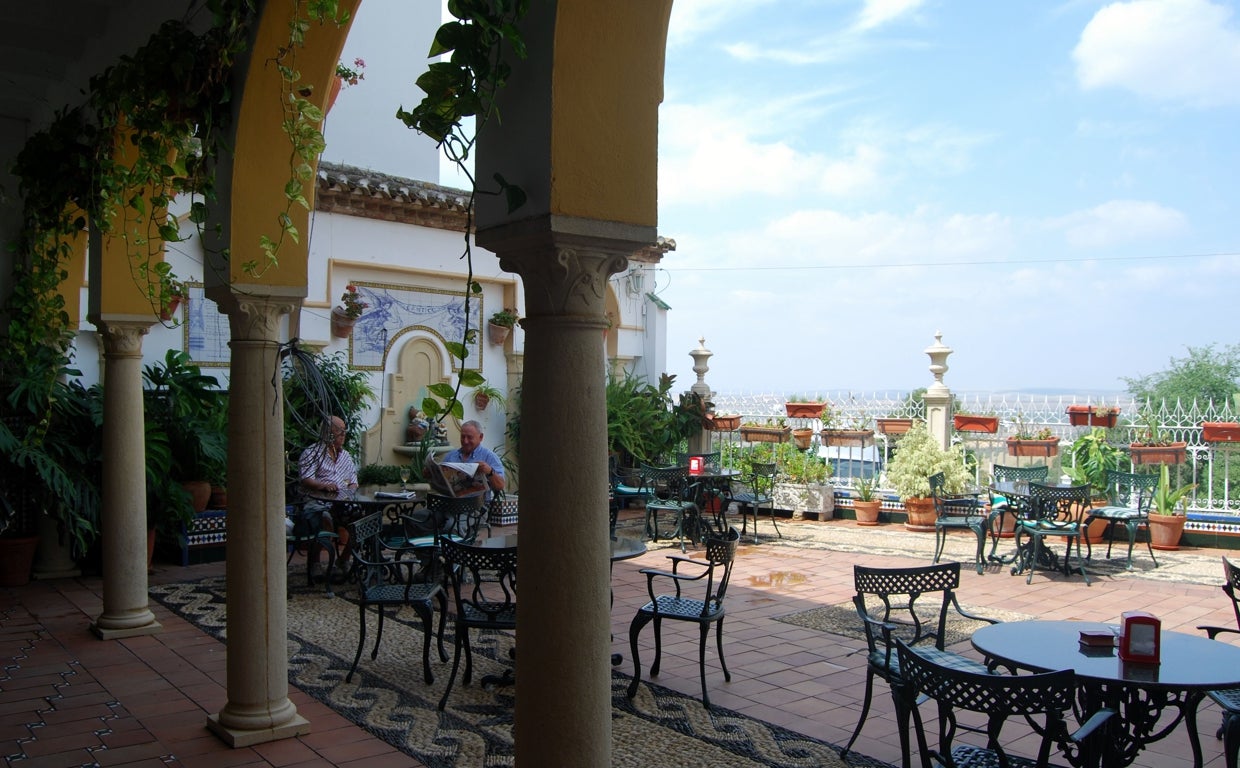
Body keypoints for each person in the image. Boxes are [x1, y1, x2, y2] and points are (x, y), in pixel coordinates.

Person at [295, 416, 358, 559]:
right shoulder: (312, 453)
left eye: (344, 431)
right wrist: (324, 486)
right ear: (328, 433)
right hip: (318, 502)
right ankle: (315, 561)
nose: (344, 435)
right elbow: (306, 478)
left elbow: (353, 482)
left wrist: (350, 491)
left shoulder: (346, 456)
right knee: (324, 519)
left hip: (342, 503)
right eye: (340, 431)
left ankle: (344, 560)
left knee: (364, 520)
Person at [442, 420, 506, 499]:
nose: (465, 441)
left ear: (481, 437)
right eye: (463, 437)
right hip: (451, 505)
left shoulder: (489, 457)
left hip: (477, 507)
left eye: (470, 437)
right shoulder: (451, 456)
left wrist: (490, 472)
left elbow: (500, 486)